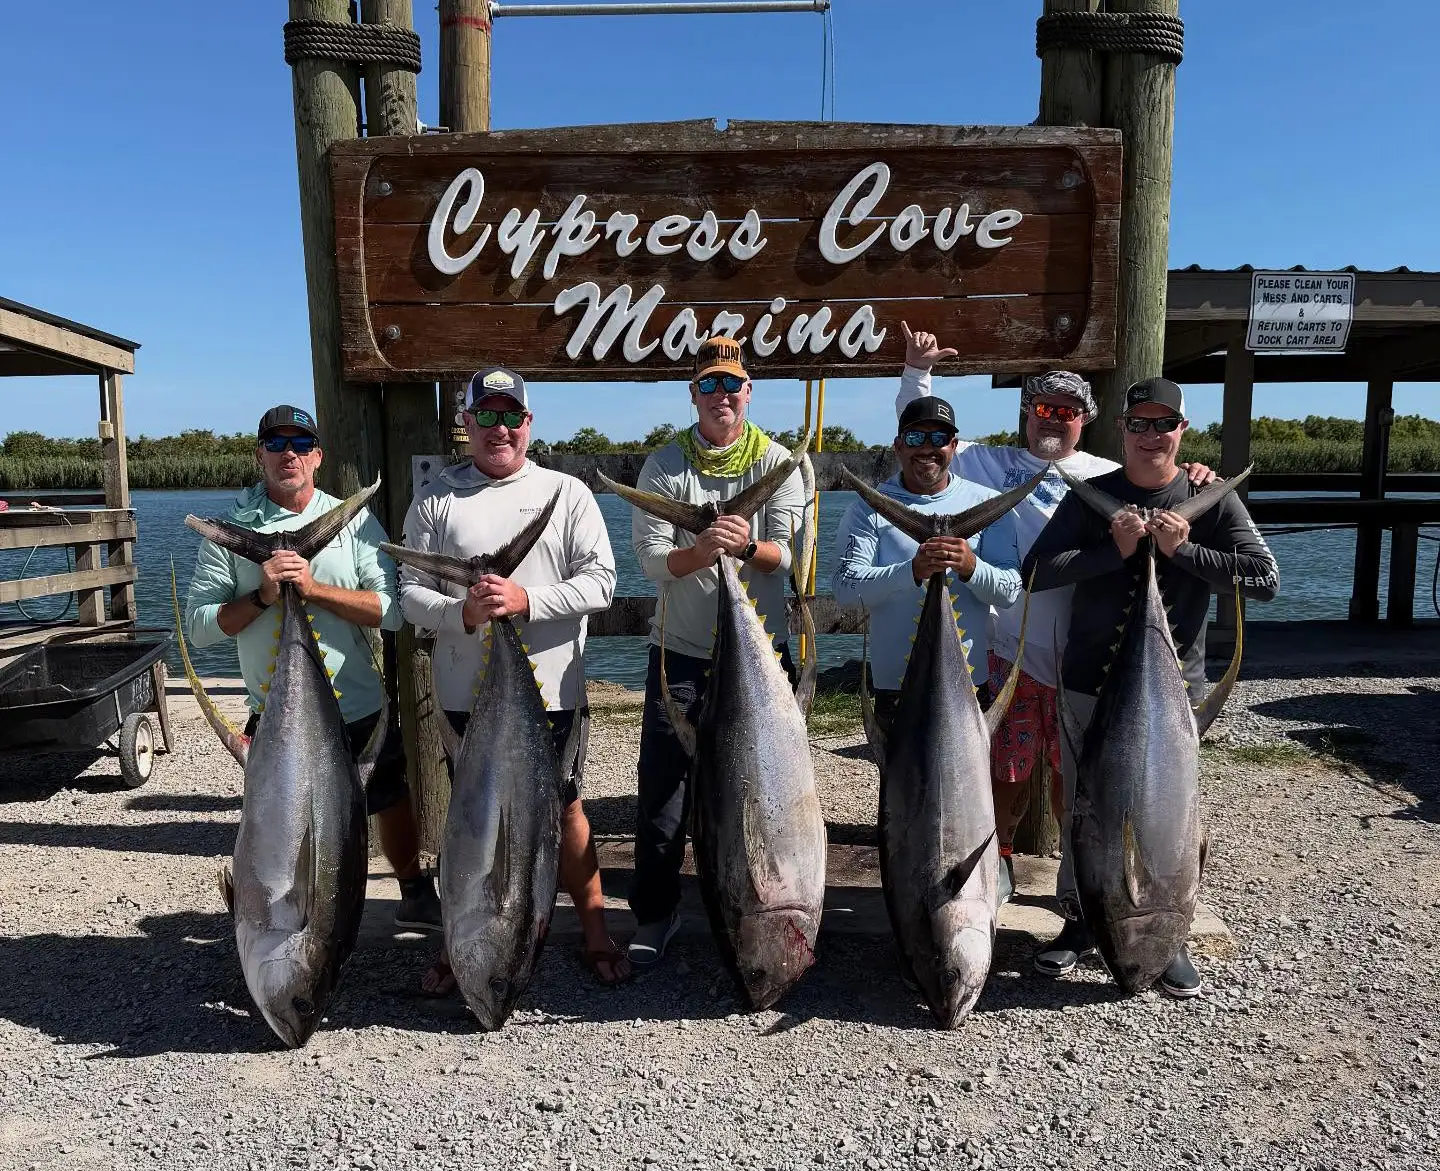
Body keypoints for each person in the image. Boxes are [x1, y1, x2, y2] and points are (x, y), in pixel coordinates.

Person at [894, 324, 1216, 905]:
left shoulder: (1103, 476)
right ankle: (998, 863)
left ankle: (1083, 880)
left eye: (1067, 411)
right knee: (1004, 772)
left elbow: (1157, 472)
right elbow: (924, 436)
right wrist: (918, 371)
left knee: (1083, 777)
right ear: (1026, 412)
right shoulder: (985, 465)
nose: (1053, 418)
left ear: (1085, 421)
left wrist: (1196, 474)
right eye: (1043, 406)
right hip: (1010, 652)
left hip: (1085, 659)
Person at [1022, 377, 1279, 997]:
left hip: (1171, 693)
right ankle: (1082, 922)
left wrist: (1183, 551)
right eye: (1139, 424)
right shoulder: (1094, 498)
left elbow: (1264, 578)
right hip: (1090, 683)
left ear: (1181, 430)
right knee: (1086, 807)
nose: (1151, 435)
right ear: (1124, 430)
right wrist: (1115, 550)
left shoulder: (1208, 498)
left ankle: (1171, 932)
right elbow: (1035, 571)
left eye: (1164, 425)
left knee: (1170, 813)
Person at [397, 366, 630, 989]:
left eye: (510, 417)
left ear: (528, 424)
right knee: (469, 817)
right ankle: (458, 940)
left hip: (551, 693)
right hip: (461, 692)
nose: (498, 429)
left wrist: (527, 601)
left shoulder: (568, 494)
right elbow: (406, 593)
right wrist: (463, 612)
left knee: (567, 807)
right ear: (465, 423)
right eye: (486, 416)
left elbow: (603, 582)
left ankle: (595, 928)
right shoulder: (437, 498)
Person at [185, 404, 441, 931]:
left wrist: (313, 590)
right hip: (275, 714)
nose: (289, 455)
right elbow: (200, 626)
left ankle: (414, 888)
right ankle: (283, 909)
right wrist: (261, 596)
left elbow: (392, 611)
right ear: (260, 455)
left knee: (390, 799)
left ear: (318, 457)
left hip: (358, 702)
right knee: (279, 820)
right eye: (276, 445)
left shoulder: (354, 521)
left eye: (300, 445)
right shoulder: (234, 531)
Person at [626, 336, 806, 970]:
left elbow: (789, 555)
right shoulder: (663, 465)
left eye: (731, 384)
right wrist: (702, 552)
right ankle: (655, 911)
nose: (721, 395)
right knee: (664, 795)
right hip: (678, 653)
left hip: (760, 657)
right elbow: (651, 562)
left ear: (748, 392)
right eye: (709, 385)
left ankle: (765, 901)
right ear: (693, 394)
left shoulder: (784, 462)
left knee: (766, 793)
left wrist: (742, 546)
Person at [832, 393, 1022, 726]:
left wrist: (971, 567)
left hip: (967, 685)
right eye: (916, 437)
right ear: (898, 445)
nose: (927, 448)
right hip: (896, 688)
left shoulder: (990, 505)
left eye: (939, 438)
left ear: (954, 445)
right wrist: (912, 570)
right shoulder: (868, 508)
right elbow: (846, 589)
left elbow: (1009, 593)